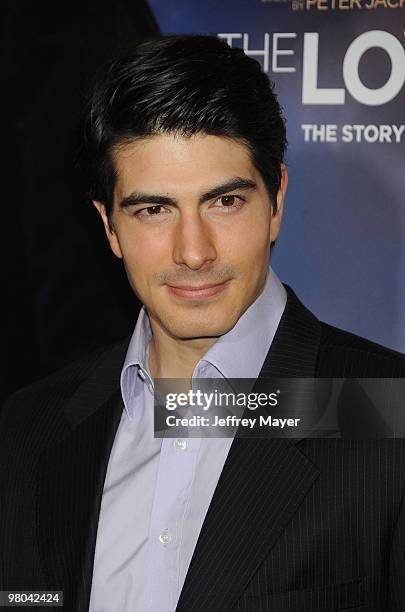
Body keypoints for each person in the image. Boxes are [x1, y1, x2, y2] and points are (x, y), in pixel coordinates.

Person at [1, 35, 405, 612]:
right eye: (153, 210)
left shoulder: (389, 412)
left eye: (224, 202)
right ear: (109, 227)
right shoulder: (28, 429)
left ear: (277, 202)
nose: (194, 251)